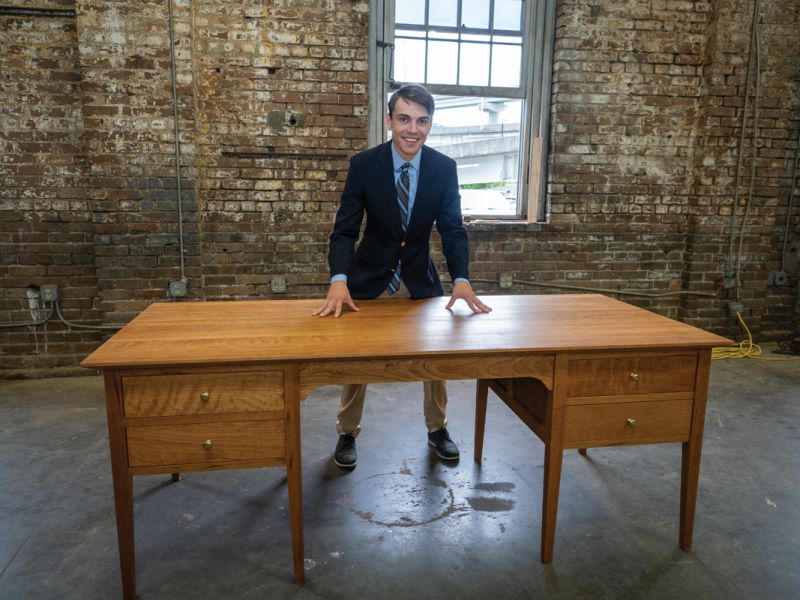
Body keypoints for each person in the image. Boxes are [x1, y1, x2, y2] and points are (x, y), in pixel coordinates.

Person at [313, 83, 492, 469]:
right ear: (390, 120)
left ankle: (438, 429)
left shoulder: (444, 168)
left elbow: (452, 228)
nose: (413, 129)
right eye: (405, 119)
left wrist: (461, 277)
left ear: (430, 124)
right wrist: (339, 278)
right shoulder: (364, 165)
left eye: (422, 121)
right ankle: (347, 432)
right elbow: (344, 230)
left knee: (436, 359)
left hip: (418, 280)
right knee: (356, 361)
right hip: (368, 278)